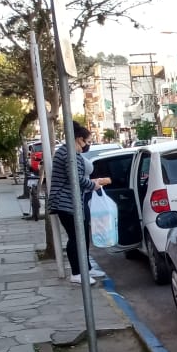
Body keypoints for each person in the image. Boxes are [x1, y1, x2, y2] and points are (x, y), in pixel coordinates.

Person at [46, 122, 111, 285]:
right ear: (79, 139)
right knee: (75, 237)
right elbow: (75, 177)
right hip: (65, 202)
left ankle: (86, 268)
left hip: (72, 201)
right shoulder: (68, 153)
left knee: (80, 236)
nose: (88, 146)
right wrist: (93, 185)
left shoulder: (69, 152)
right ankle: (76, 272)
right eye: (87, 142)